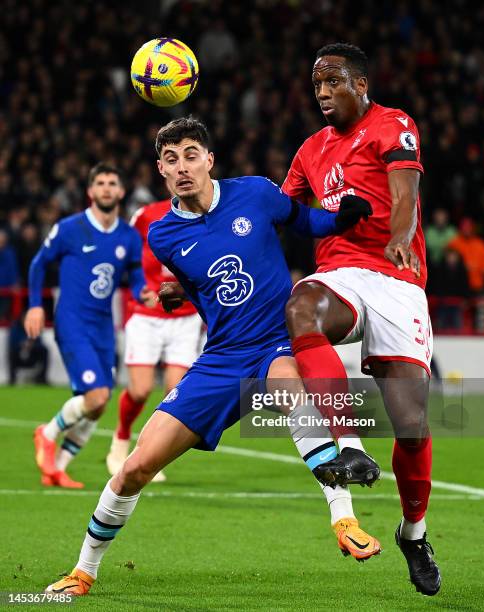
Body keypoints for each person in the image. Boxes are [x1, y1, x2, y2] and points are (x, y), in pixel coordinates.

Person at [45, 117, 378, 596]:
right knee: (137, 466)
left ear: (209, 160)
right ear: (160, 169)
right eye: (171, 158)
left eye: (191, 155)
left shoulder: (256, 193)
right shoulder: (163, 236)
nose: (182, 167)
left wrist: (341, 219)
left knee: (291, 390)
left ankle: (343, 517)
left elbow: (304, 221)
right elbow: (208, 286)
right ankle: (83, 570)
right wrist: (181, 291)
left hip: (275, 341)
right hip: (221, 358)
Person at [282, 43, 441, 596]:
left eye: (333, 81)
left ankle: (414, 533)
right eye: (316, 82)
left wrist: (401, 235)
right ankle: (348, 442)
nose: (322, 91)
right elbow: (285, 216)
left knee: (412, 427)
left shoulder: (392, 124)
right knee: (301, 308)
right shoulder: (309, 151)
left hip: (397, 279)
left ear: (361, 84)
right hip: (341, 274)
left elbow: (406, 193)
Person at [25, 162, 155, 489]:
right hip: (72, 321)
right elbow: (39, 264)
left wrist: (143, 290)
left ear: (121, 191)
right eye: (100, 183)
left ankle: (56, 469)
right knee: (96, 397)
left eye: (113, 183)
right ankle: (48, 432)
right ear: (90, 191)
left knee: (97, 408)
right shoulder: (70, 228)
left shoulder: (127, 235)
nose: (107, 188)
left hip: (102, 327)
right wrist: (35, 306)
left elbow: (136, 272)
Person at [106, 199, 203, 482]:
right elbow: (129, 257)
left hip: (185, 317)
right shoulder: (146, 215)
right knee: (140, 390)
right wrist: (139, 289)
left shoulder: (209, 213)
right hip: (147, 313)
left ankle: (151, 455)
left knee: (175, 393)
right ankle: (120, 440)